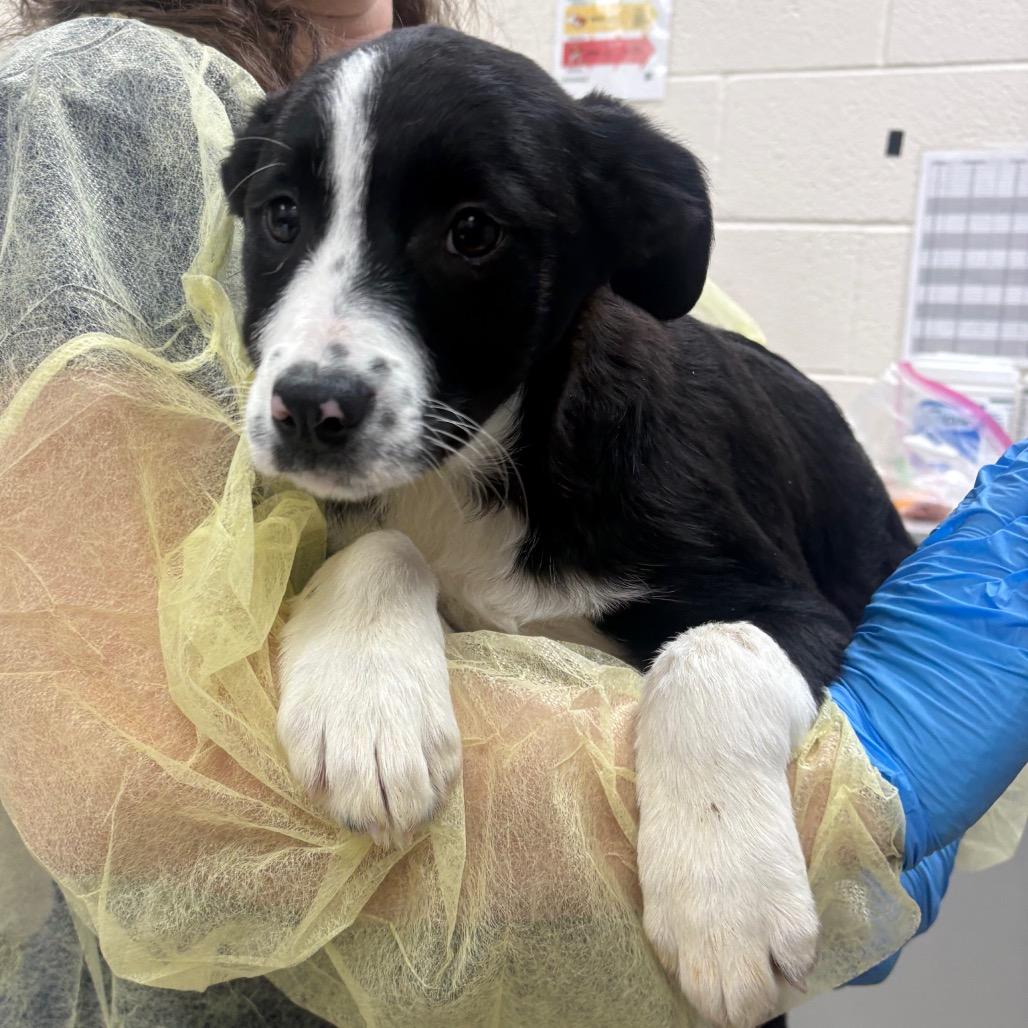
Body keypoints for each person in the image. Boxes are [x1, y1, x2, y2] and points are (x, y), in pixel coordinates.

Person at [0, 2, 1024, 1025]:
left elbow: (792, 618)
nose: (316, 367)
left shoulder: (652, 458)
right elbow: (132, 726)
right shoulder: (92, 102)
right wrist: (370, 580)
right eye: (284, 219)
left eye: (468, 233)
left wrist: (734, 728)